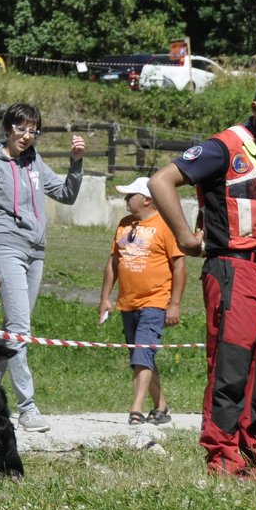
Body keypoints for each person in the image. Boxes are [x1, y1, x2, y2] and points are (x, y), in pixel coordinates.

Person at [148, 76, 256, 477]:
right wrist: (185, 237)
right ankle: (224, 458)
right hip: (236, 269)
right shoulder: (223, 147)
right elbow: (160, 181)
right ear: (255, 110)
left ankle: (254, 453)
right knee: (231, 369)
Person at [0, 102, 87, 432]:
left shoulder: (35, 161)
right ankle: (27, 407)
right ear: (8, 128)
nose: (26, 135)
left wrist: (76, 163)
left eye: (33, 130)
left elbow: (66, 194)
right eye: (21, 128)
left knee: (14, 331)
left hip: (37, 252)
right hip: (6, 249)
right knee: (20, 329)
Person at [98, 177, 185, 426]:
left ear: (147, 199)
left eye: (130, 195)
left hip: (155, 302)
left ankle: (135, 409)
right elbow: (114, 262)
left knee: (142, 354)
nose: (126, 199)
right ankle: (161, 406)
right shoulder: (124, 224)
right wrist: (105, 298)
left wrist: (174, 303)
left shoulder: (166, 226)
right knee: (141, 356)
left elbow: (179, 266)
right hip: (128, 303)